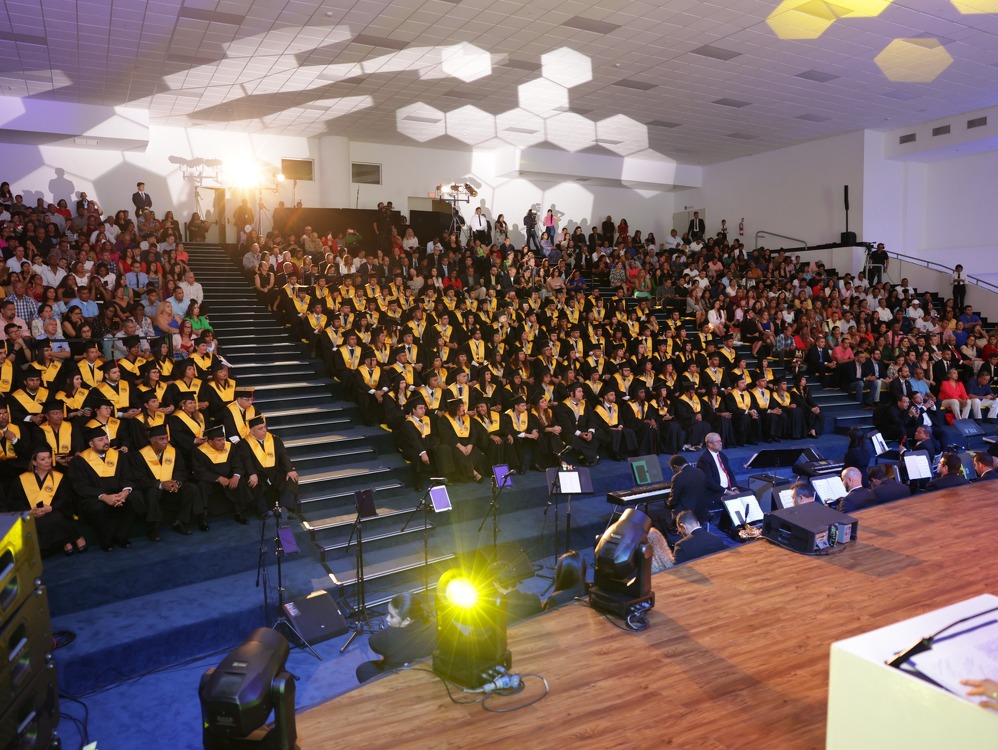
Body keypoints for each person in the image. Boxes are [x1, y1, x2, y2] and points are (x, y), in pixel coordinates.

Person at [68, 424, 146, 550]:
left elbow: (128, 477)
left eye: (106, 438)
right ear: (91, 444)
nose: (105, 442)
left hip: (118, 495)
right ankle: (104, 539)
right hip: (96, 497)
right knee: (95, 506)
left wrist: (124, 492)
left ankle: (120, 535)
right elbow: (81, 487)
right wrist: (103, 497)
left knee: (136, 496)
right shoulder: (79, 461)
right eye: (100, 440)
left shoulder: (118, 455)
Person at [4, 446, 87, 556]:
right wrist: (30, 511)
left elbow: (66, 499)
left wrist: (51, 508)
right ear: (34, 462)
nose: (48, 461)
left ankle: (65, 542)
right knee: (43, 520)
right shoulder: (21, 479)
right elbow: (15, 502)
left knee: (55, 517)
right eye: (43, 459)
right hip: (33, 514)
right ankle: (72, 538)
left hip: (54, 510)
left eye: (48, 458)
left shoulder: (60, 477)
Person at [132, 423, 201, 535]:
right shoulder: (139, 456)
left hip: (172, 486)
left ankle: (181, 521)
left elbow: (181, 470)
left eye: (166, 438)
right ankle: (153, 527)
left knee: (192, 488)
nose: (166, 441)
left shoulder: (173, 451)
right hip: (154, 487)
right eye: (161, 439)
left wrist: (176, 482)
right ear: (152, 441)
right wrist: (161, 484)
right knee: (152, 493)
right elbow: (140, 479)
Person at [355, 591, 436, 684]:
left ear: (406, 621)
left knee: (363, 670)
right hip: (426, 669)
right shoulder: (435, 624)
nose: (387, 619)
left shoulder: (387, 637)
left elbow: (373, 642)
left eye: (392, 616)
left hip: (401, 679)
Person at [235, 415, 300, 514]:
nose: (264, 430)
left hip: (275, 471)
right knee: (252, 483)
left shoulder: (275, 439)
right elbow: (246, 460)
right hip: (258, 473)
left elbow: (283, 455)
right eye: (260, 429)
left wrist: (290, 469)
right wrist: (252, 473)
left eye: (264, 427)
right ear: (252, 431)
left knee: (292, 478)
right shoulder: (244, 444)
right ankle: (263, 512)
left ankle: (285, 507)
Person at [665, 455, 710, 533]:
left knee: (664, 511)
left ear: (675, 466)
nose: (674, 472)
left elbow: (674, 501)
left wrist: (666, 503)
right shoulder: (700, 472)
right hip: (701, 511)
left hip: (686, 515)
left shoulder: (678, 477)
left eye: (673, 470)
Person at [696, 432, 740, 511]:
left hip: (729, 488)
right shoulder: (704, 460)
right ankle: (725, 523)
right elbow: (709, 482)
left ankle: (749, 521)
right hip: (715, 491)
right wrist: (727, 492)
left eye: (720, 441)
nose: (721, 443)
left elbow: (730, 474)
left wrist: (734, 489)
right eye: (717, 442)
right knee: (730, 501)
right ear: (709, 444)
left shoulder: (722, 456)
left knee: (750, 493)